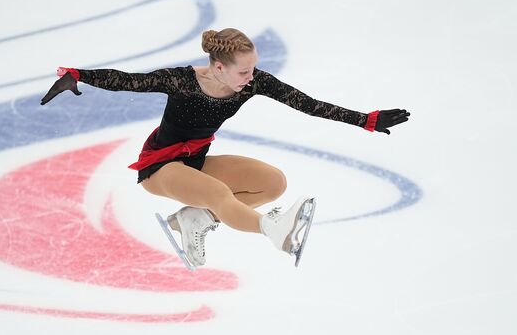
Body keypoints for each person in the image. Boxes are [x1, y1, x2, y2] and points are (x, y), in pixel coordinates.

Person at [40, 28, 410, 268]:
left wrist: (364, 119)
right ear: (217, 67)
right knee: (218, 194)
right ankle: (272, 230)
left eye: (253, 72)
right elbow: (128, 81)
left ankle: (195, 219)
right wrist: (78, 75)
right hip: (161, 167)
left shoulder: (251, 83)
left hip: (195, 163)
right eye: (243, 73)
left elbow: (305, 103)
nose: (250, 80)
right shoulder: (181, 81)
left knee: (272, 183)